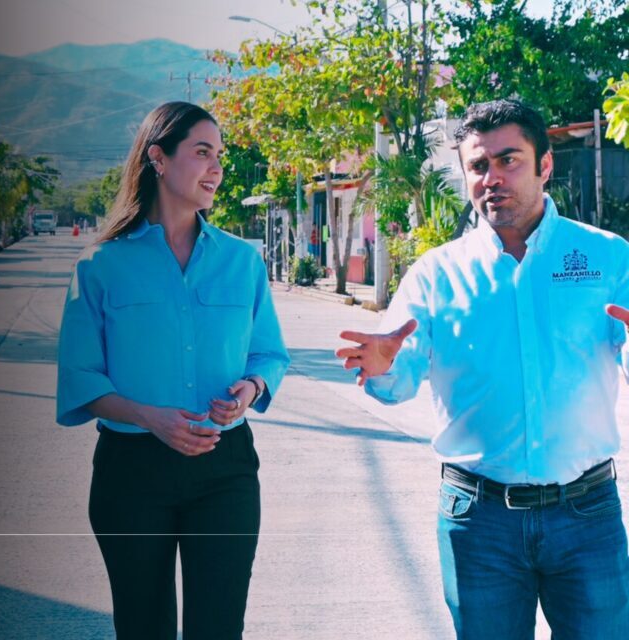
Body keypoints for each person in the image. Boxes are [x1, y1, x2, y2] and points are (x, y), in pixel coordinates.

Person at [336, 99, 629, 639]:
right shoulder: (435, 275)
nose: (492, 178)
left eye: (509, 160)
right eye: (478, 166)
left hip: (586, 515)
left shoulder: (608, 258)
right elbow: (398, 379)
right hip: (479, 520)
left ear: (544, 166)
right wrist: (381, 366)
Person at [56, 101, 290, 640]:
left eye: (220, 156)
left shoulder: (243, 261)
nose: (217, 168)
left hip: (224, 470)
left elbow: (269, 355)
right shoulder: (102, 265)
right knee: (143, 628)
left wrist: (250, 390)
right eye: (202, 152)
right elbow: (82, 376)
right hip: (131, 472)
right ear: (158, 158)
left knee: (218, 627)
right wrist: (150, 418)